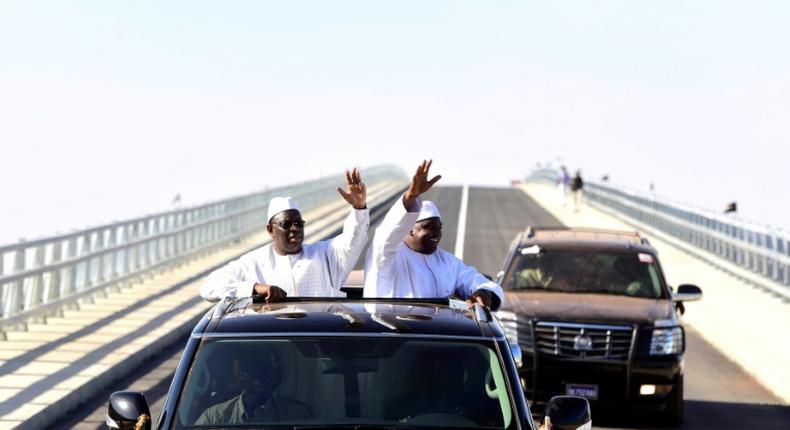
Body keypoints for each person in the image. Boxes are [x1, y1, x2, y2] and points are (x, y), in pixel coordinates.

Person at [200, 168, 369, 302]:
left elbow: (354, 240)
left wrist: (359, 208)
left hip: (319, 340)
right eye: (286, 224)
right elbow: (209, 287)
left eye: (298, 223)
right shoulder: (254, 263)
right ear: (270, 230)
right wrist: (256, 288)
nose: (294, 228)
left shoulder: (324, 254)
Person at [363, 160, 504, 310]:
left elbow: (477, 281)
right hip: (389, 330)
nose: (436, 233)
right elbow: (388, 234)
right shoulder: (386, 256)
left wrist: (484, 292)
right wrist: (410, 196)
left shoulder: (448, 262)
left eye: (439, 227)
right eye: (428, 227)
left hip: (437, 332)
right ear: (409, 229)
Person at [195, 356, 311, 424]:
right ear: (241, 376)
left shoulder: (297, 415)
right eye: (253, 371)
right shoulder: (214, 418)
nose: (259, 378)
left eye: (265, 371)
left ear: (274, 375)